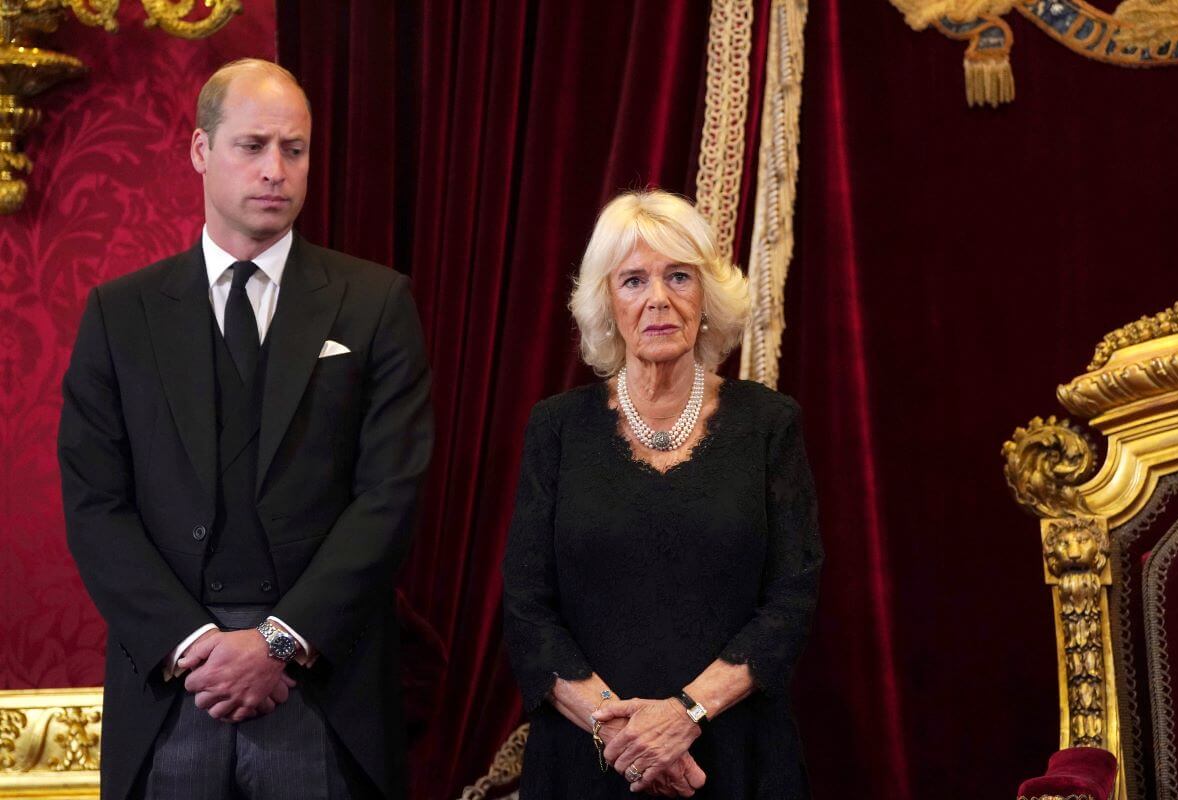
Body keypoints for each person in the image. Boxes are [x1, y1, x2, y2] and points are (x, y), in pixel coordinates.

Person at [58, 58, 432, 800]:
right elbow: (95, 502)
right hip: (173, 686)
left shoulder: (375, 303)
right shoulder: (119, 314)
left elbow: (391, 495)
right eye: (252, 145)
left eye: (294, 150)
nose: (275, 170)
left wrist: (278, 642)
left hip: (320, 683)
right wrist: (194, 645)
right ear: (201, 150)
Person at [502, 190, 823, 798]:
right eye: (632, 281)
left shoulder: (769, 424)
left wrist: (684, 717)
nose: (658, 299)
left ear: (706, 296)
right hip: (588, 759)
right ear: (607, 302)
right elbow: (526, 607)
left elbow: (791, 598)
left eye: (679, 275)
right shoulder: (557, 427)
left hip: (734, 758)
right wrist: (629, 741)